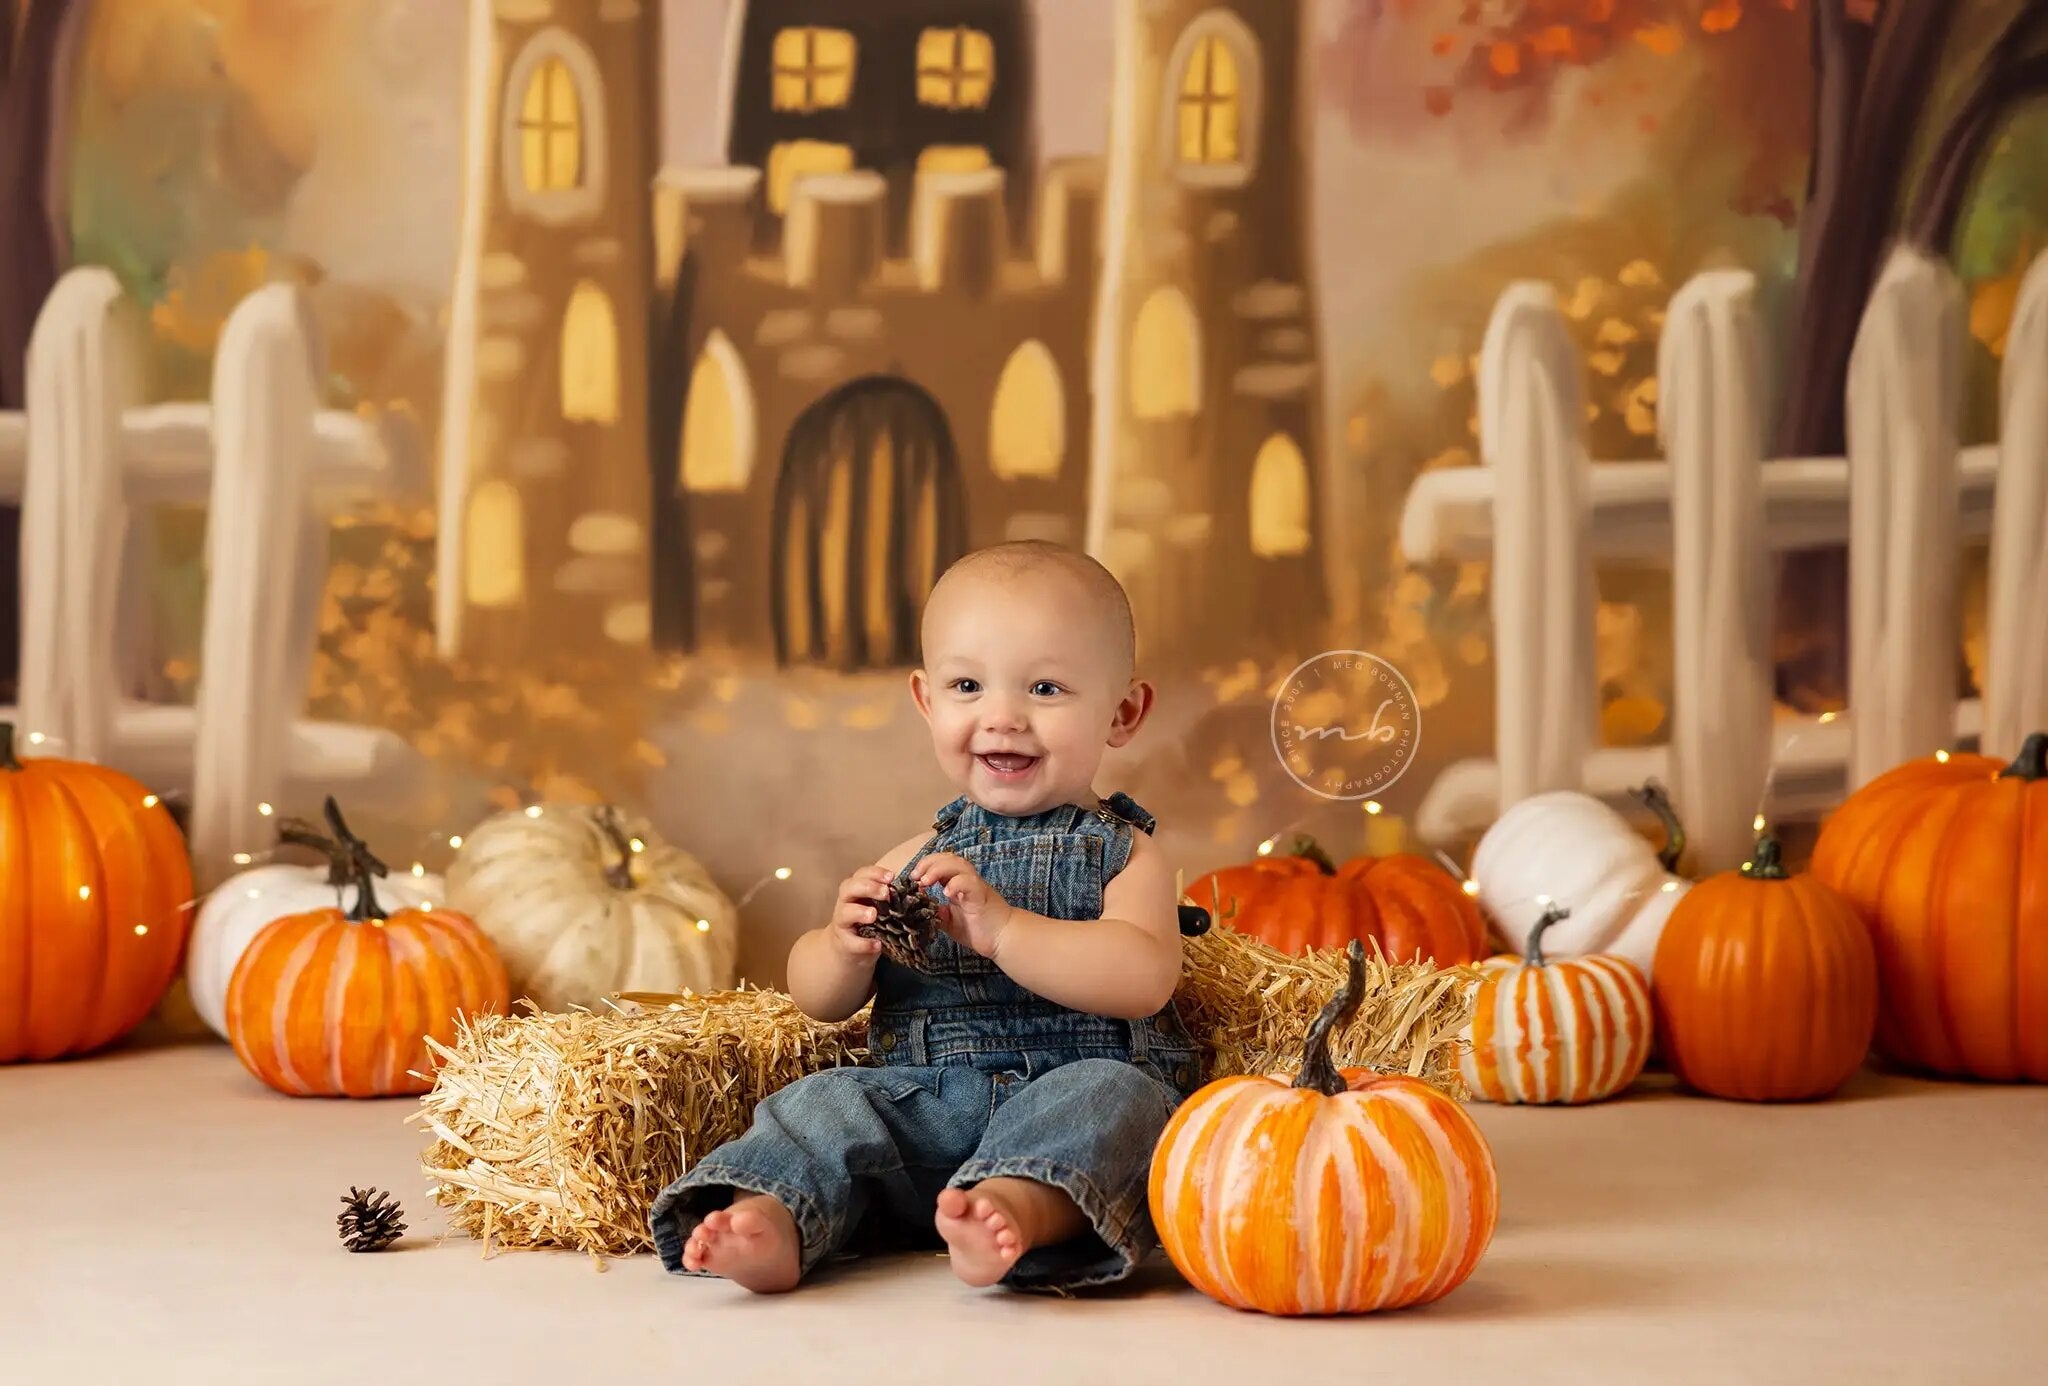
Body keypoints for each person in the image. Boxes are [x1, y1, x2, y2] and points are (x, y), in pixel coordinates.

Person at [648, 541, 1202, 1293]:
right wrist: (843, 946)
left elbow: (1143, 980)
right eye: (968, 685)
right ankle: (774, 1215)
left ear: (1124, 712)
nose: (1002, 718)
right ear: (926, 701)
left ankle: (1018, 1207)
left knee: (1121, 1100)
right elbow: (818, 1001)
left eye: (1045, 688)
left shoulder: (1125, 854)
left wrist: (1004, 929)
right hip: (926, 1112)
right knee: (824, 1101)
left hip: (1066, 1099)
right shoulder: (916, 857)